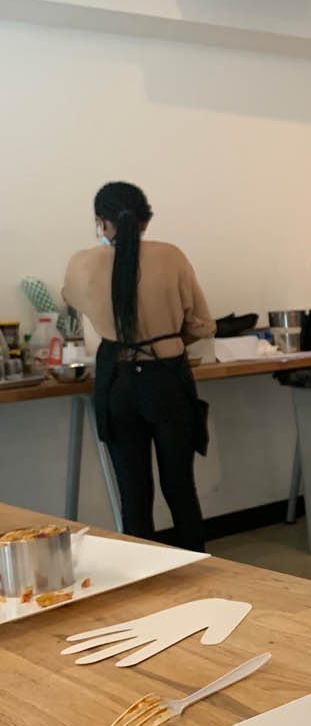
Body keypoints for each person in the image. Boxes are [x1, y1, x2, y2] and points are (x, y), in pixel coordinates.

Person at [63, 182, 215, 551]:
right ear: (146, 219)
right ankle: (200, 567)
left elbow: (71, 302)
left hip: (116, 381)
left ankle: (143, 575)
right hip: (166, 378)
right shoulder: (172, 257)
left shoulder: (82, 263)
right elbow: (202, 326)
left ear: (102, 222)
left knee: (132, 492)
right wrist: (167, 338)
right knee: (180, 485)